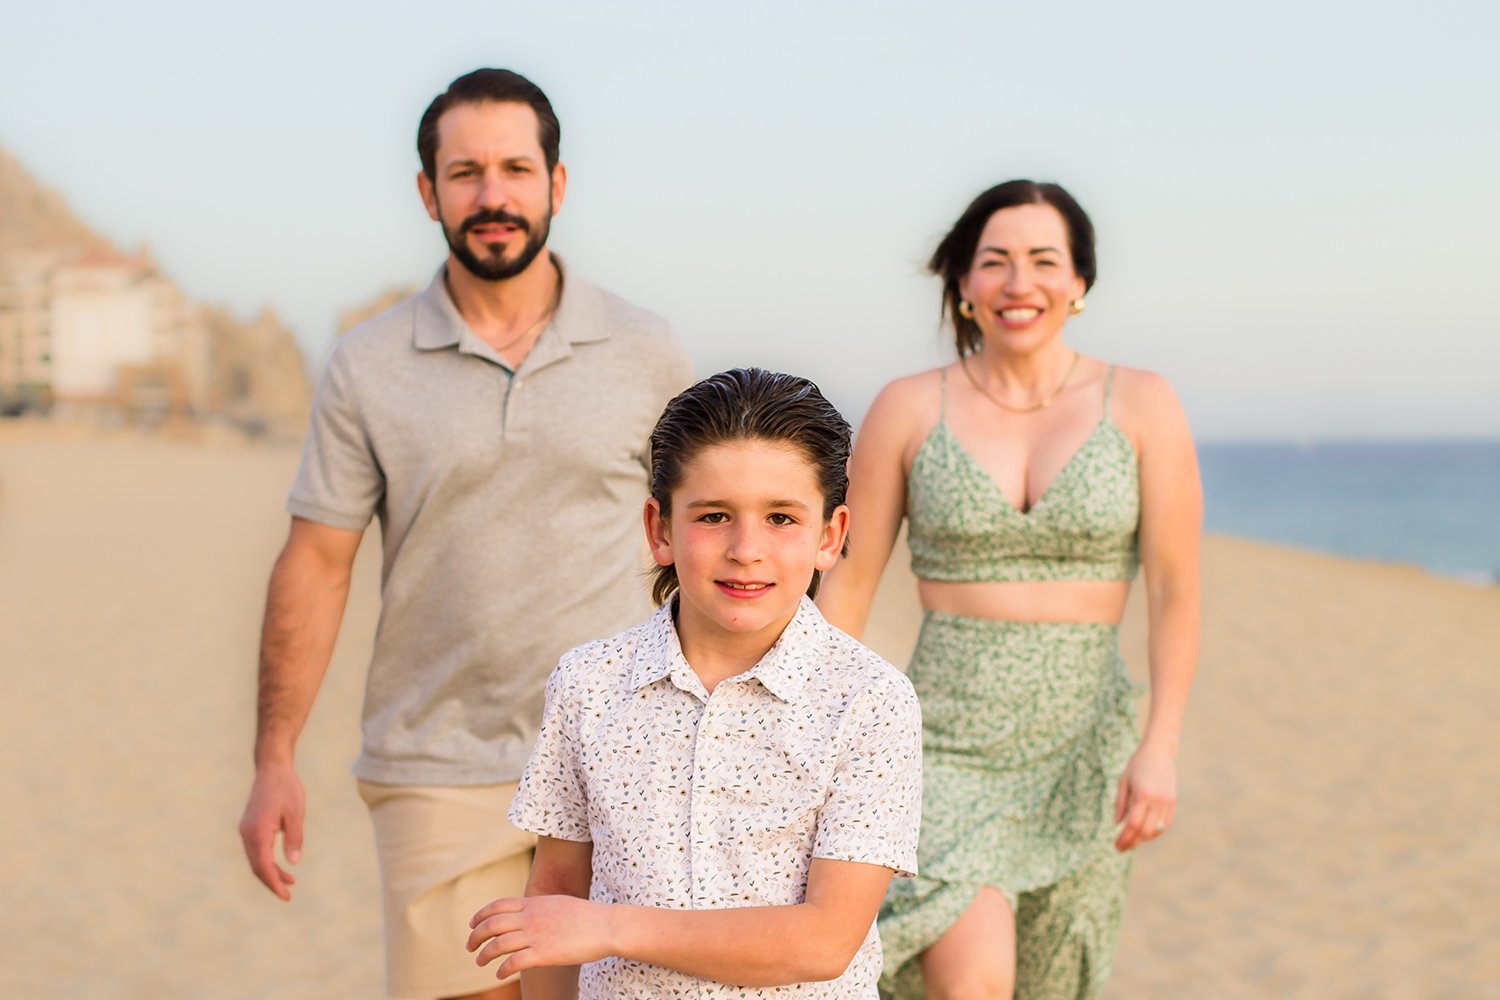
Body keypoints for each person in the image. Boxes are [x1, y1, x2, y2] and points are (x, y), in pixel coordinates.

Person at [236, 68, 692, 1000]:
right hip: (437, 766)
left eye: (517, 169)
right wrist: (273, 759)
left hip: (626, 755)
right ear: (428, 191)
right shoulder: (367, 365)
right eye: (466, 171)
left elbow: (709, 544)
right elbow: (318, 563)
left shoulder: (649, 352)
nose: (493, 196)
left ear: (557, 185)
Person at [816, 180, 1202, 999]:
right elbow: (846, 586)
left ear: (1079, 284)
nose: (1018, 282)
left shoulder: (1141, 404)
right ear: (962, 283)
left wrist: (1159, 746)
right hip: (946, 744)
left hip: (1086, 742)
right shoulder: (910, 407)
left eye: (1042, 261)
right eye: (993, 262)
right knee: (971, 985)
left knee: (1058, 981)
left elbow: (1174, 587)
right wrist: (815, 737)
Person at [465, 368, 924, 997]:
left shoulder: (870, 701)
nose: (746, 548)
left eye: (782, 519)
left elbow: (825, 942)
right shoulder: (588, 683)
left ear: (830, 535)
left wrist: (611, 928)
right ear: (660, 529)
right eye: (713, 515)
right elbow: (555, 900)